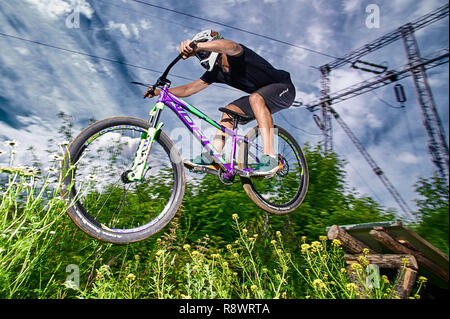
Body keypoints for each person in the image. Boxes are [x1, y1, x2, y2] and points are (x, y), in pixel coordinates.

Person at [146, 30, 296, 176]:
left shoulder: (234, 55)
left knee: (256, 98)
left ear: (212, 45)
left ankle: (270, 158)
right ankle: (214, 157)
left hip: (284, 87)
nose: (201, 56)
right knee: (228, 111)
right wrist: (159, 92)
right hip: (261, 97)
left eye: (202, 53)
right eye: (198, 55)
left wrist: (198, 46)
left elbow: (231, 46)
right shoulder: (216, 72)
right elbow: (188, 89)